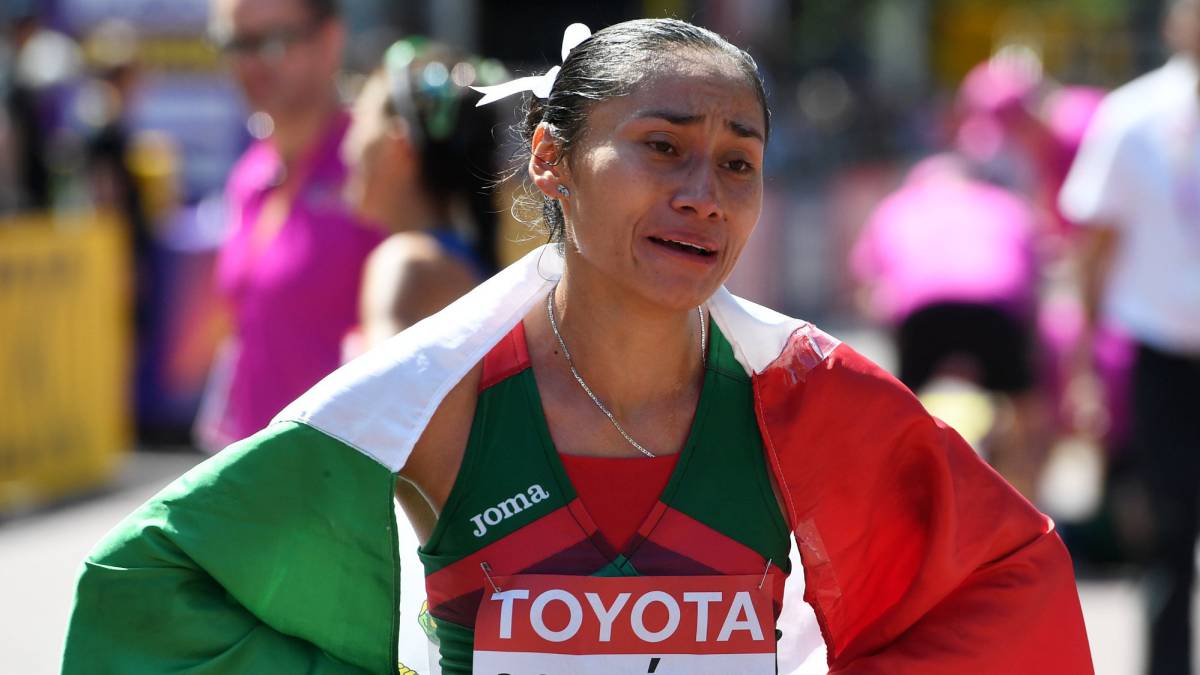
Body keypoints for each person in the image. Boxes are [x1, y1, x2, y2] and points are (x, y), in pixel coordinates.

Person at [64, 19, 1092, 674]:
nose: (704, 194)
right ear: (551, 159)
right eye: (662, 146)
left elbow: (1006, 586)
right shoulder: (444, 400)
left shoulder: (803, 405)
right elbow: (151, 586)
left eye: (739, 163)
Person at [339, 38, 505, 673]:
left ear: (399, 146)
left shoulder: (406, 266)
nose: (348, 146)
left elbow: (374, 430)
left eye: (359, 120)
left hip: (426, 580)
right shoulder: (460, 265)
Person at [1059, 1, 1200, 672]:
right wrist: (1084, 371)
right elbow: (1092, 253)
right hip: (1164, 362)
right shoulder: (1134, 116)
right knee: (1167, 543)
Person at [194, 0, 384, 451]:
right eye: (237, 43)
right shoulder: (250, 175)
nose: (253, 62)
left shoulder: (376, 164)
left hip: (347, 479)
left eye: (275, 41)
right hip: (258, 480)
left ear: (330, 40)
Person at [850, 153, 1046, 498]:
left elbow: (868, 291)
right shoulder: (1006, 204)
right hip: (998, 304)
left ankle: (906, 501)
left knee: (905, 411)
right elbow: (1035, 283)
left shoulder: (897, 206)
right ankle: (1026, 504)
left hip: (922, 308)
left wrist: (896, 331)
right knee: (1023, 413)